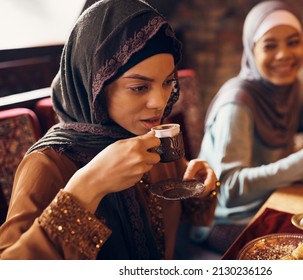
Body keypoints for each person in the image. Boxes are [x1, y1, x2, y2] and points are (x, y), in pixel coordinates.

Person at [0, 0, 218, 260]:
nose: (160, 103)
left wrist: (202, 185)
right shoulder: (49, 164)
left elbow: (188, 213)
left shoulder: (152, 138)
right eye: (139, 87)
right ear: (95, 85)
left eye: (168, 82)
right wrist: (88, 187)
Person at [195, 0, 303, 253]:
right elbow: (229, 190)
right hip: (227, 220)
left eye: (293, 42)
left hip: (275, 201)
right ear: (251, 51)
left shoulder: (291, 90)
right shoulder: (237, 104)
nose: (284, 54)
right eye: (270, 45)